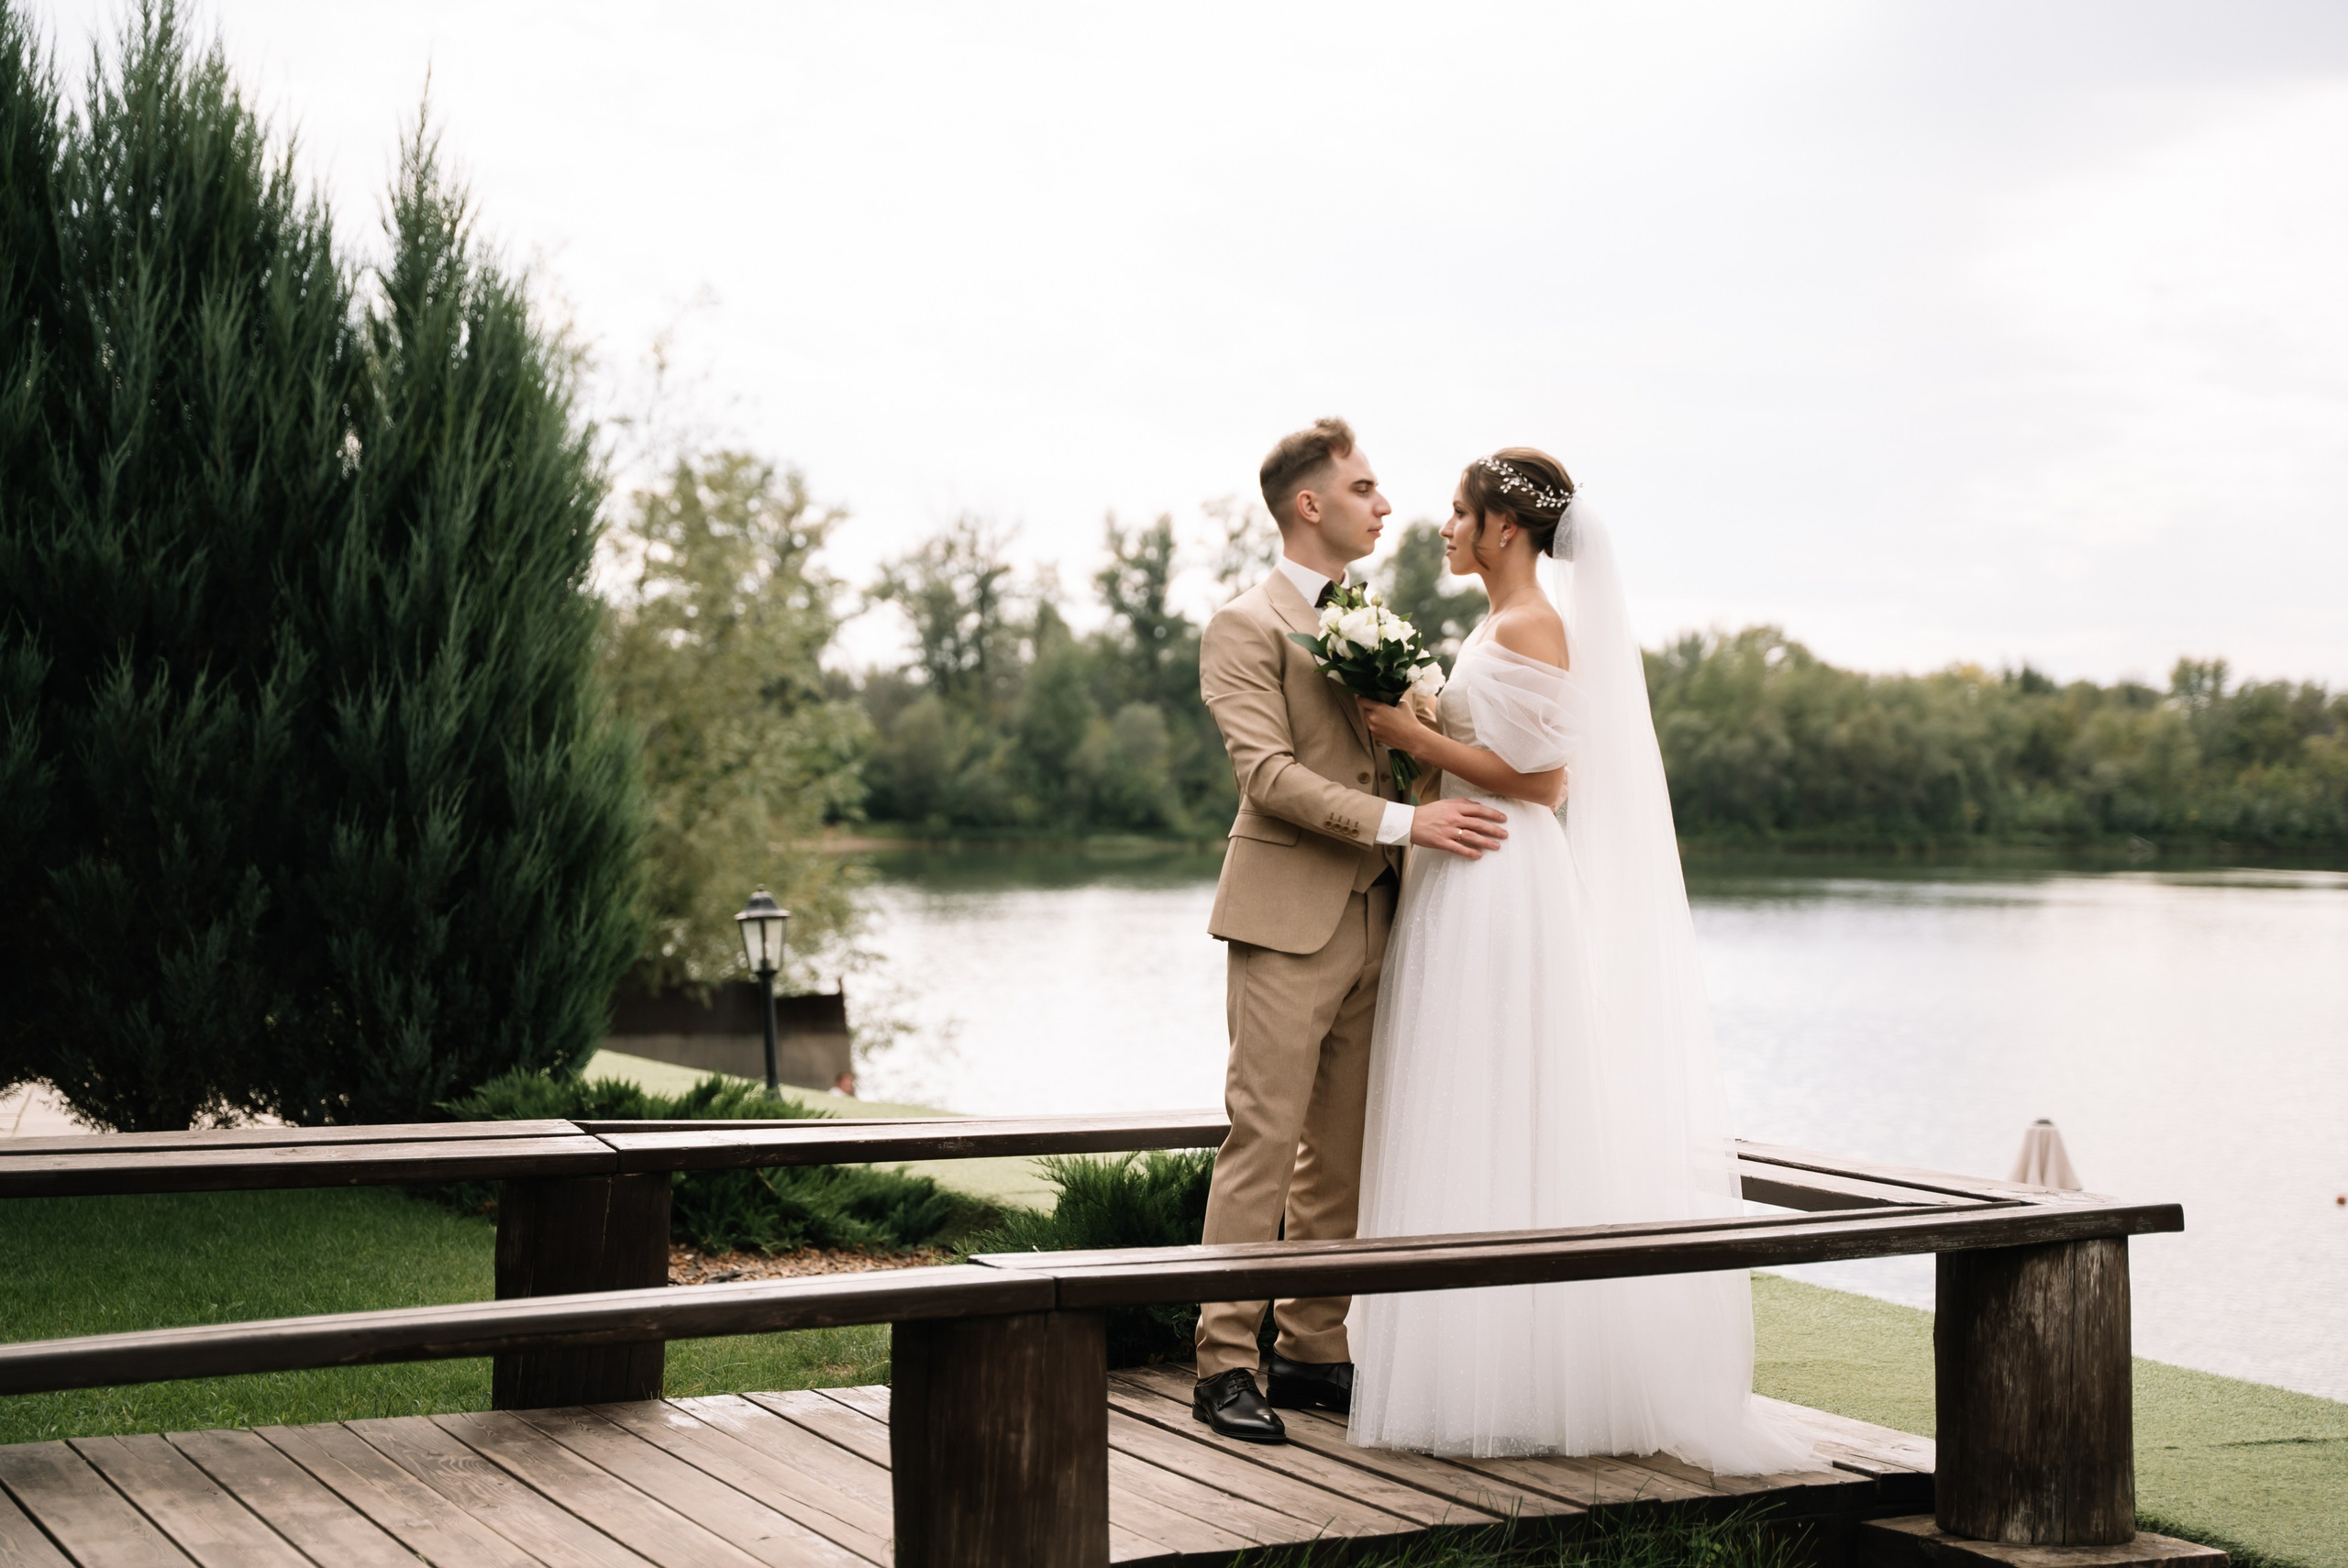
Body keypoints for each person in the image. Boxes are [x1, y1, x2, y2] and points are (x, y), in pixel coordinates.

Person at [1346, 448, 1813, 1474]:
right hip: (1471, 874)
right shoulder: (1503, 623)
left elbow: (1547, 781)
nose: (1444, 529)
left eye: (1457, 514)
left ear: (1503, 528)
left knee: (1508, 1098)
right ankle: (1466, 1358)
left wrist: (1413, 740)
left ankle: (1518, 1371)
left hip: (1505, 881)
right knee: (1466, 1105)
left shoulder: (1532, 625)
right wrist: (1423, 726)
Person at [1190, 418, 1512, 1444]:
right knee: (1262, 1137)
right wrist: (1406, 822)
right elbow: (1269, 779)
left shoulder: (1375, 618)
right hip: (1287, 918)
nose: (1385, 506)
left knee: (1341, 1150)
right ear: (1308, 506)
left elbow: (1435, 743)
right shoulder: (1242, 626)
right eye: (1366, 489)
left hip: (1387, 911)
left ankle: (1314, 1348)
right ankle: (1221, 1364)